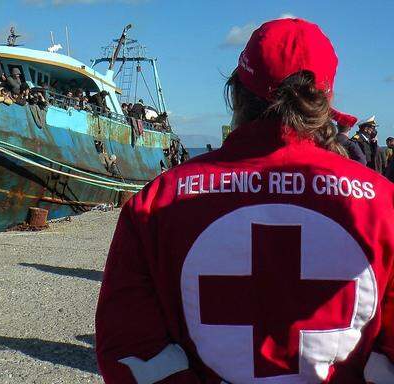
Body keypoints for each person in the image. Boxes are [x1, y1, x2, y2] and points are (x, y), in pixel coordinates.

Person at [96, 18, 394, 384]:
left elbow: (130, 349)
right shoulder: (384, 205)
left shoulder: (156, 204)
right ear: (325, 101)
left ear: (236, 93)